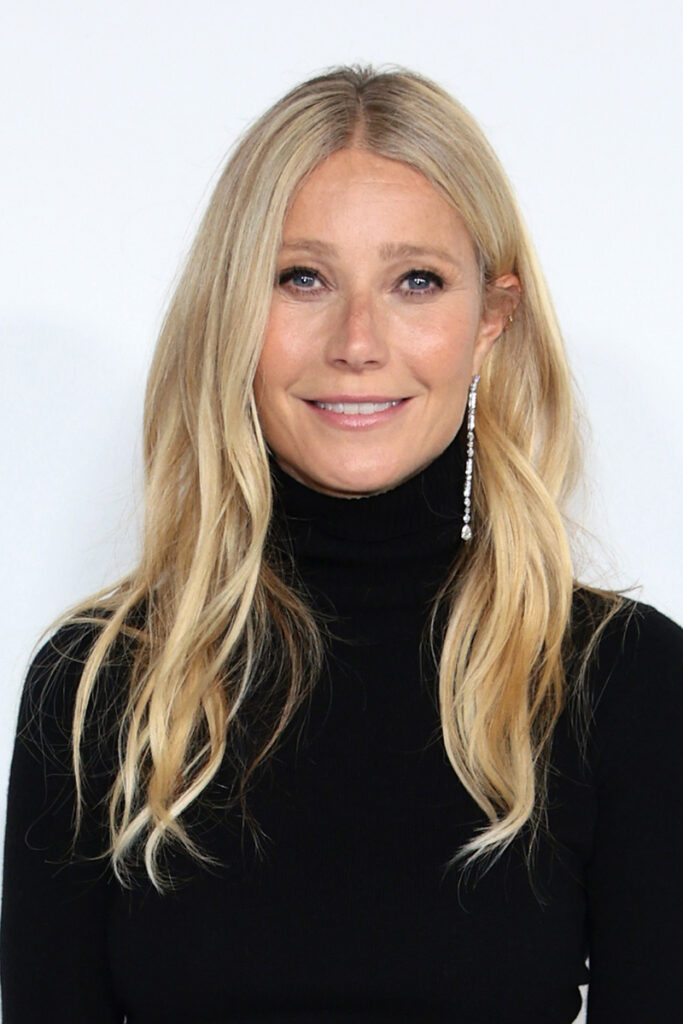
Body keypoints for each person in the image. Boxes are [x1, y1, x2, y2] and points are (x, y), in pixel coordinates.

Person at [1, 65, 681, 1024]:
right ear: (232, 310)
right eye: (302, 278)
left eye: (415, 282)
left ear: (490, 320)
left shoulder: (623, 682)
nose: (356, 341)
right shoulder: (98, 685)